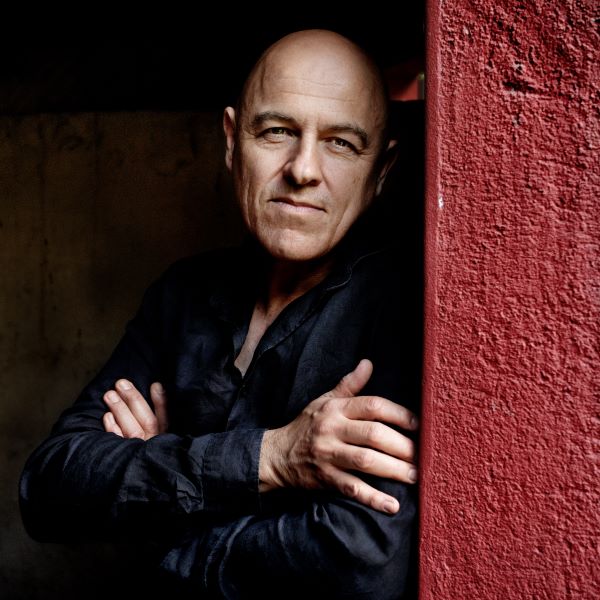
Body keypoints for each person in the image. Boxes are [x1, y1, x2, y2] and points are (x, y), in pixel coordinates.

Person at [20, 29, 420, 598]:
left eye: (340, 143)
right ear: (233, 141)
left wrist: (159, 512)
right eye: (277, 132)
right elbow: (48, 488)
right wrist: (270, 460)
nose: (303, 169)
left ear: (381, 168)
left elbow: (361, 564)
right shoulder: (182, 294)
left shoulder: (405, 312)